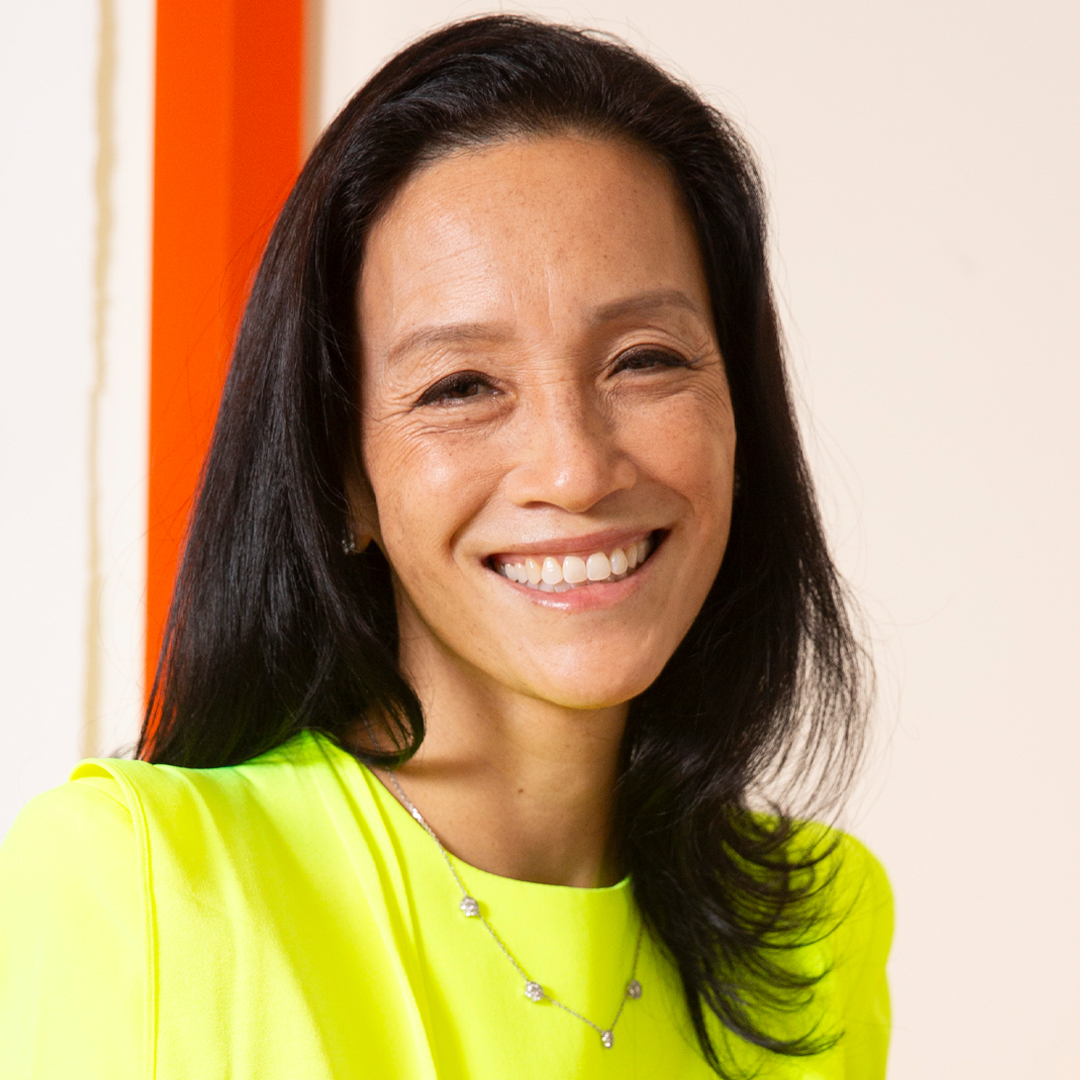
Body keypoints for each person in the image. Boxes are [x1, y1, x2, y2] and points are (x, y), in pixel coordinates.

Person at [0, 15, 891, 1079]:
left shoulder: (811, 930)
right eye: (461, 386)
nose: (575, 469)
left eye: (645, 360)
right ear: (345, 476)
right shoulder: (142, 887)